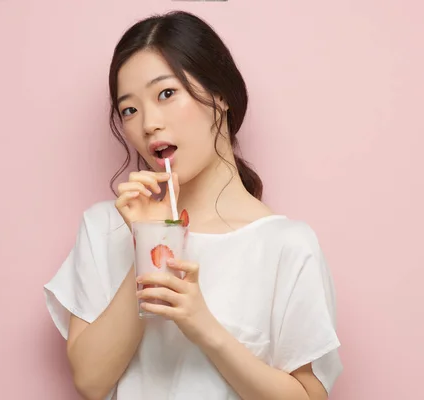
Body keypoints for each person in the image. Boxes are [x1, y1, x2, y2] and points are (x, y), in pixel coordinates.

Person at [43, 10, 343, 400]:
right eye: (129, 109)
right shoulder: (107, 226)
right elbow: (90, 381)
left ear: (219, 95)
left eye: (166, 94)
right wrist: (149, 245)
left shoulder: (286, 245)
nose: (148, 123)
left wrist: (204, 326)